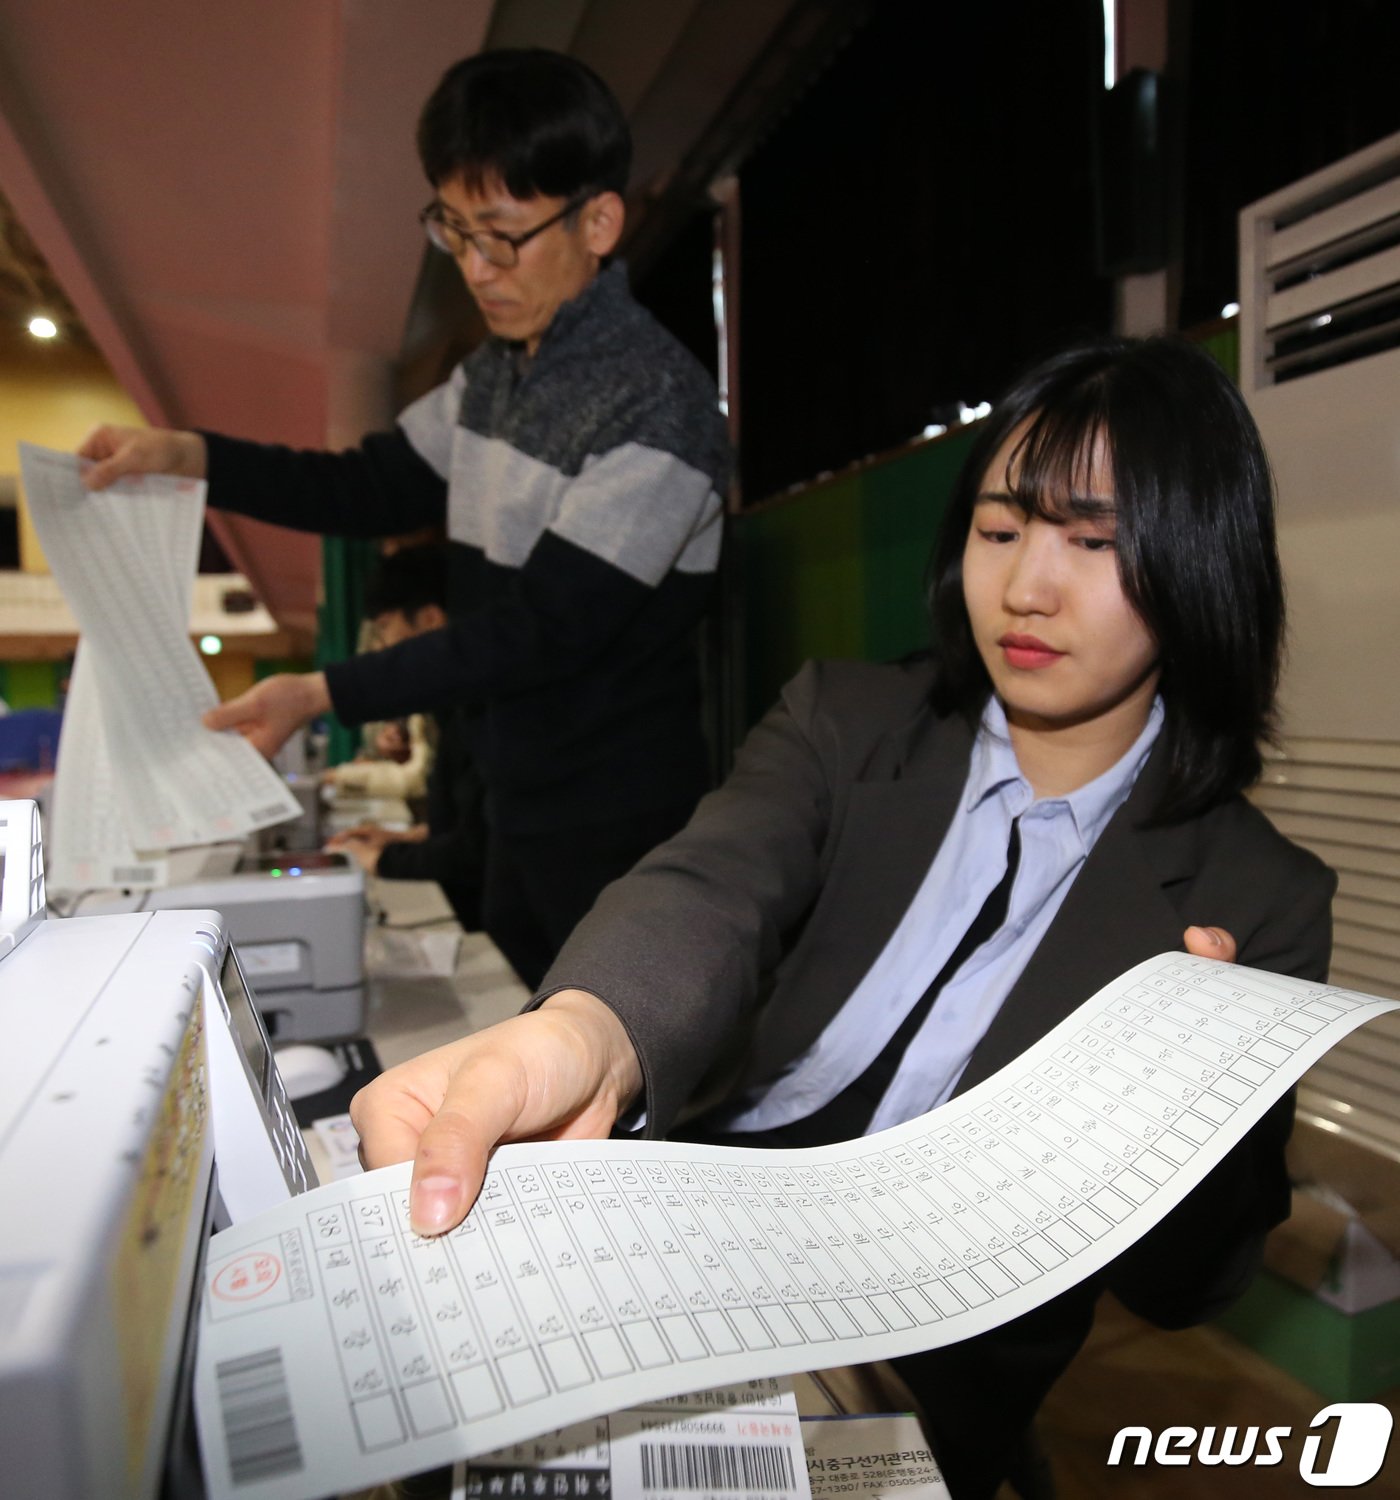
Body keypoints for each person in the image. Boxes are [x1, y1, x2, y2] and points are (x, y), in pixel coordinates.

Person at [350, 335, 1336, 1498]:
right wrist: (586, 1032)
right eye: (1000, 527)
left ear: (1195, 565)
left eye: (1094, 542)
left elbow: (1186, 1290)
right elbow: (708, 885)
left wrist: (1186, 1104)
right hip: (703, 1211)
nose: (1025, 587)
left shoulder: (1253, 899)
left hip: (925, 1360)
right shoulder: (846, 718)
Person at [77, 48, 730, 987]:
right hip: (514, 800)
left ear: (598, 221)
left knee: (606, 1092)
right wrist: (196, 458)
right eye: (454, 232)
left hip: (613, 823)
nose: (475, 268)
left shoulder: (659, 406)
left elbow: (545, 629)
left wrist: (321, 692)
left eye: (501, 237)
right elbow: (368, 485)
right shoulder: (498, 375)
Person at [325, 544, 486, 931]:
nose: (381, 650)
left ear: (430, 619)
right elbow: (471, 824)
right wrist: (407, 839)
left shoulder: (484, 714)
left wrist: (382, 859)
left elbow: (481, 849)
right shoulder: (457, 709)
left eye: (384, 629)